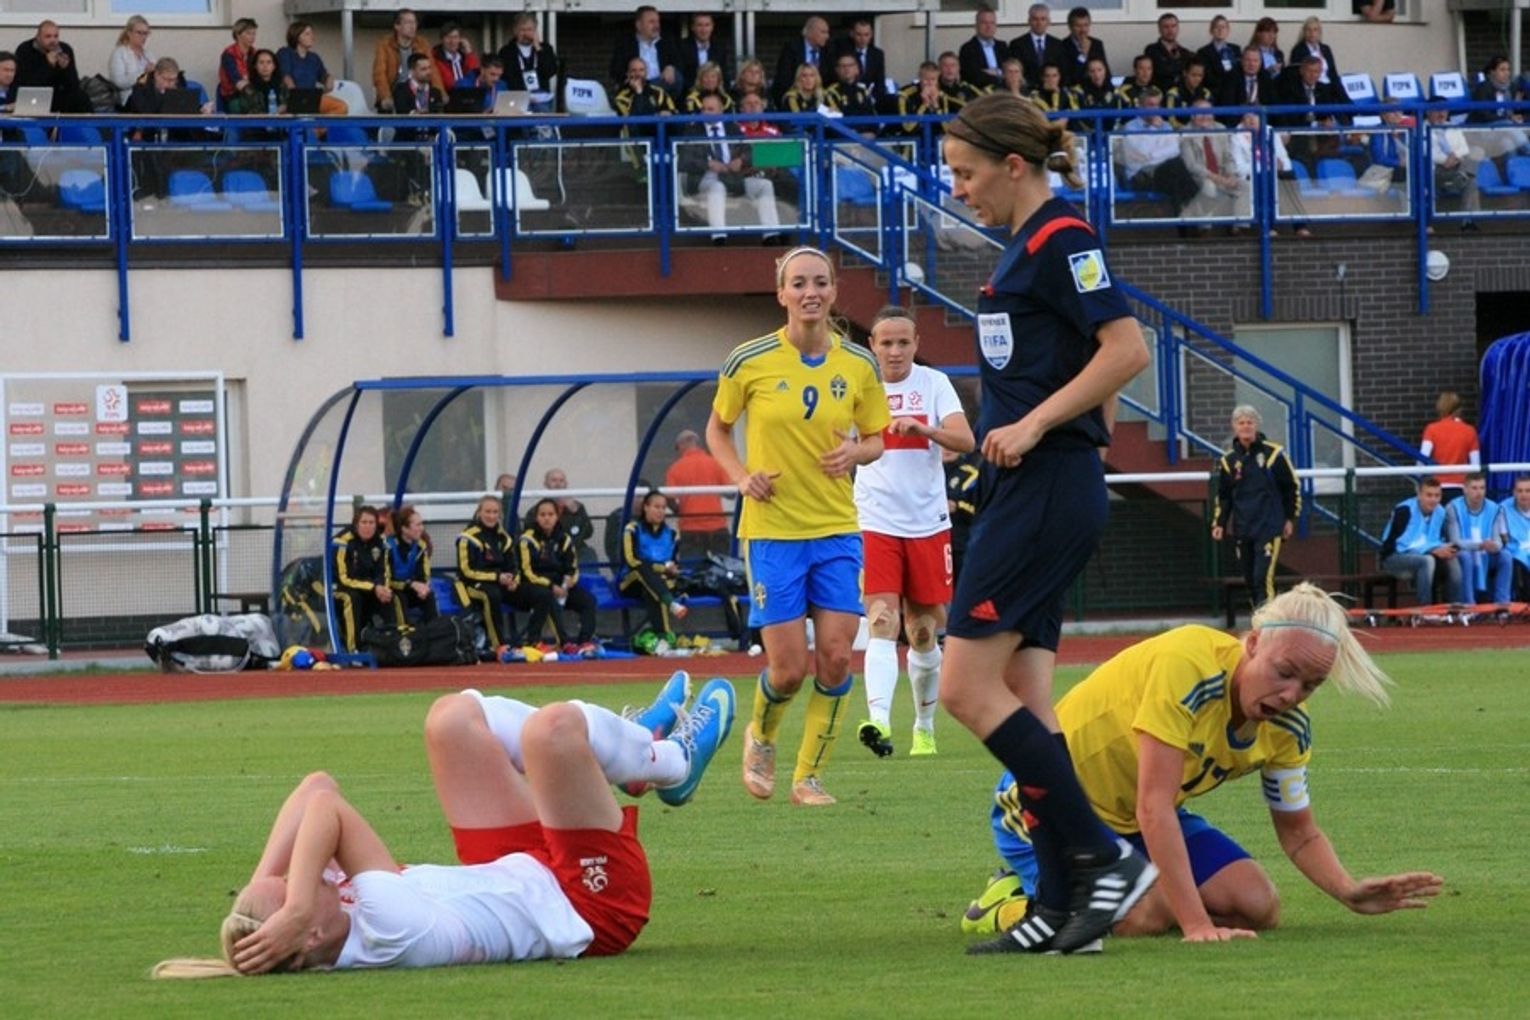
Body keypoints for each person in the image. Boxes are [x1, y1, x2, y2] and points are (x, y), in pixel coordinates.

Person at [939, 91, 1154, 953]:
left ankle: (1106, 857)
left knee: (963, 688)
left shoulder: (1063, 239)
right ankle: (1065, 905)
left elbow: (1127, 350)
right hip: (1028, 486)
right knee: (1027, 698)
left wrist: (1033, 426)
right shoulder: (1026, 247)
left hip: (1046, 487)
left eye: (965, 173)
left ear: (1013, 165)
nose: (957, 189)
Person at [152, 676, 737, 977]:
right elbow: (324, 807)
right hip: (589, 906)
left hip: (510, 870)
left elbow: (315, 785)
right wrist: (297, 904)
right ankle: (670, 761)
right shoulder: (386, 926)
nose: (305, 879)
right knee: (552, 732)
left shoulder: (326, 919)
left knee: (450, 718)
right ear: (306, 936)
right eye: (296, 890)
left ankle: (629, 752)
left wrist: (269, 891)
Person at [967, 585, 1443, 950]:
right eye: (1284, 672)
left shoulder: (1289, 727)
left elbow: (1298, 832)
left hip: (1135, 819)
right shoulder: (1188, 666)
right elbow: (1154, 807)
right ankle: (1010, 902)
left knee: (1257, 906)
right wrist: (1195, 924)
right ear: (1252, 644)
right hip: (1048, 807)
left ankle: (1133, 889)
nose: (1291, 695)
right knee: (1150, 914)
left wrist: (1348, 891)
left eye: (1310, 685)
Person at [705, 246, 889, 807]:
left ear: (834, 291)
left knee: (836, 657)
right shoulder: (748, 360)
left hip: (836, 529)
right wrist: (741, 477)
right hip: (773, 533)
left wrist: (856, 452)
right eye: (799, 283)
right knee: (787, 670)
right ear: (781, 293)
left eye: (820, 282)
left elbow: (877, 439)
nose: (811, 292)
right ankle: (761, 737)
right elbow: (717, 430)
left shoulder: (859, 364)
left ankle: (808, 777)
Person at [853, 306, 975, 760]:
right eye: (886, 342)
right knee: (881, 620)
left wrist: (924, 428)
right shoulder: (860, 386)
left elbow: (966, 440)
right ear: (872, 346)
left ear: (916, 344)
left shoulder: (934, 383)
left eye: (903, 342)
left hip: (926, 524)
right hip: (875, 520)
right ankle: (879, 721)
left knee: (922, 631)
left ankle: (924, 727)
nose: (895, 351)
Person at [1210, 406, 1299, 611]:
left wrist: (1289, 518)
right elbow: (1224, 496)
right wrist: (1220, 523)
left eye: (1249, 422)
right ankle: (1259, 617)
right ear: (1234, 427)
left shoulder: (1273, 454)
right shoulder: (1229, 461)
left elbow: (1291, 487)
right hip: (1243, 527)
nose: (1246, 426)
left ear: (1256, 425)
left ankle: (1268, 621)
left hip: (1269, 525)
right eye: (1241, 423)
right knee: (1250, 579)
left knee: (1262, 577)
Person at [521, 497, 599, 655]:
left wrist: (570, 580)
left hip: (561, 586)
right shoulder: (527, 540)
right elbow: (527, 572)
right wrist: (551, 586)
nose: (547, 518)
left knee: (588, 600)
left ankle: (584, 641)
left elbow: (572, 566)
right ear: (536, 517)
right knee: (546, 596)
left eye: (550, 514)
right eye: (542, 515)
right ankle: (564, 642)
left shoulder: (564, 538)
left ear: (557, 516)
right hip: (538, 586)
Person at [618, 489, 690, 646]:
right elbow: (632, 561)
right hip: (632, 582)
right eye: (656, 507)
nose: (661, 511)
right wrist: (662, 569)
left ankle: (664, 638)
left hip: (659, 584)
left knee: (652, 590)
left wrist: (671, 570)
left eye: (663, 508)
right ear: (646, 507)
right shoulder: (632, 529)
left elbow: (673, 563)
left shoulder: (671, 534)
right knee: (642, 568)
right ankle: (671, 605)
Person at [455, 494, 523, 652]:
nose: (491, 516)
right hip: (472, 585)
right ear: (479, 512)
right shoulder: (467, 537)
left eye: (495, 512)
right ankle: (498, 645)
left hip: (501, 583)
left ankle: (538, 641)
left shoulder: (504, 537)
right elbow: (466, 571)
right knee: (492, 595)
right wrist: (497, 577)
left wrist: (514, 580)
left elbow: (513, 565)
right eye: (487, 511)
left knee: (541, 594)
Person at [1379, 477, 1461, 605]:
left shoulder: (1440, 511)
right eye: (1429, 495)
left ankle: (1453, 606)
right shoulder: (1404, 510)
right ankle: (1425, 609)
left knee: (1452, 558)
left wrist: (1445, 548)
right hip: (1394, 556)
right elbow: (1403, 545)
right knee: (1427, 560)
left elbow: (1434, 539)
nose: (1433, 500)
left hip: (1423, 553)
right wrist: (1433, 550)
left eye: (1437, 495)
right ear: (1419, 494)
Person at [665, 428, 734, 559]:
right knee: (723, 567)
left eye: (677, 448)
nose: (678, 451)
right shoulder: (716, 464)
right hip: (718, 527)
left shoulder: (675, 468)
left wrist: (680, 511)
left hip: (691, 529)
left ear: (682, 445)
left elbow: (669, 498)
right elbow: (731, 494)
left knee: (692, 569)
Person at [331, 505, 392, 653]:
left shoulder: (380, 542)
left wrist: (383, 588)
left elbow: (383, 571)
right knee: (352, 598)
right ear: (356, 524)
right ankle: (353, 649)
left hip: (368, 587)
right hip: (338, 588)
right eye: (364, 522)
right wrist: (373, 587)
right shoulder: (342, 541)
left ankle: (393, 644)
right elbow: (343, 578)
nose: (368, 527)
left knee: (392, 597)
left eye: (371, 523)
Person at [1444, 473, 1512, 605]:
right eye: (1474, 488)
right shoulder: (1453, 507)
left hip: (1486, 552)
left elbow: (1497, 540)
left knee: (1506, 556)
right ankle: (1469, 604)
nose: (1479, 492)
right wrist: (1479, 545)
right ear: (1465, 489)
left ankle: (1502, 604)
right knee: (1466, 557)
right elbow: (1455, 540)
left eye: (1482, 488)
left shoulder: (1495, 508)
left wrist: (1495, 546)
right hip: (1462, 552)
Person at [372, 9, 440, 113]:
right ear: (397, 26)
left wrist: (441, 93)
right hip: (394, 93)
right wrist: (385, 97)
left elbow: (433, 71)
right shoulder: (384, 44)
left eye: (415, 22)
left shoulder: (422, 43)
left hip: (418, 91)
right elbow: (379, 74)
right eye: (408, 23)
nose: (413, 27)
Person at [1418, 390, 1481, 501]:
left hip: (1436, 488)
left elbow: (1421, 460)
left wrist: (1419, 480)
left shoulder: (1431, 429)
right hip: (1460, 487)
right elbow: (1476, 465)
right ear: (1459, 409)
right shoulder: (1469, 431)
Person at [15, 20, 89, 113]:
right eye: (48, 36)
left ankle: (91, 121)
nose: (53, 40)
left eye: (56, 36)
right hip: (35, 96)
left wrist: (65, 69)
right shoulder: (25, 50)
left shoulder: (65, 49)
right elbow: (27, 83)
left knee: (81, 97)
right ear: (38, 37)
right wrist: (48, 66)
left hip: (58, 95)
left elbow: (74, 85)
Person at [609, 5, 680, 97]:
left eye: (658, 21)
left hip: (662, 88)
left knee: (677, 77)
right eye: (651, 22)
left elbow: (679, 63)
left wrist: (671, 67)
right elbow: (615, 70)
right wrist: (629, 77)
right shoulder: (626, 44)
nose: (657, 26)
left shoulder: (667, 41)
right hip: (636, 88)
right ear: (639, 25)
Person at [278, 22, 346, 114]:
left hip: (311, 98)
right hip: (290, 98)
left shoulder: (314, 58)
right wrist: (296, 95)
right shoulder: (285, 53)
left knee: (341, 107)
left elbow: (323, 75)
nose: (312, 37)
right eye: (307, 34)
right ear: (297, 36)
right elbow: (286, 76)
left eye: (312, 33)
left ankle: (319, 123)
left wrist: (329, 79)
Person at [386, 503, 437, 625]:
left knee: (429, 596)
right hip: (393, 591)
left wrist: (424, 587)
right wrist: (411, 584)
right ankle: (404, 633)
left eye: (422, 524)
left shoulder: (420, 546)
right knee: (399, 598)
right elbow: (387, 580)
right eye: (418, 525)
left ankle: (434, 630)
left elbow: (424, 575)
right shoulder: (388, 546)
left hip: (411, 589)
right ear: (404, 528)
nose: (422, 528)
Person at [533, 467, 596, 562]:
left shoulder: (577, 507)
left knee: (589, 553)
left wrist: (576, 512)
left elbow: (588, 533)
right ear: (545, 484)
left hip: (575, 549)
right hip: (548, 551)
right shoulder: (538, 509)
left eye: (561, 481)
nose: (558, 484)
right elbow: (532, 531)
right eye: (554, 480)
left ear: (566, 484)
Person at [497, 14, 558, 110]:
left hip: (540, 96)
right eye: (522, 30)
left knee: (542, 112)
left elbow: (550, 71)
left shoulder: (546, 48)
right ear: (515, 31)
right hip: (517, 95)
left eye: (529, 30)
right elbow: (505, 76)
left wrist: (538, 48)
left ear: (535, 31)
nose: (526, 34)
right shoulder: (506, 51)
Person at [772, 16, 830, 108]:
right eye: (823, 32)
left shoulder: (829, 50)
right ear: (810, 31)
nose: (827, 36)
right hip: (795, 100)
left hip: (820, 101)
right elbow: (784, 78)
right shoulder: (791, 48)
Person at [828, 18, 887, 105]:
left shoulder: (877, 54)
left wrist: (873, 99)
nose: (863, 39)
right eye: (859, 34)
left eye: (866, 35)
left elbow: (880, 81)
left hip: (870, 99)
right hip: (846, 98)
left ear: (871, 35)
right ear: (852, 34)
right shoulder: (843, 51)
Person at [959, 5, 1011, 93]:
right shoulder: (967, 49)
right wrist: (999, 75)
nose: (988, 26)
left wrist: (993, 72)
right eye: (984, 23)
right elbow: (974, 77)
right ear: (976, 26)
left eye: (992, 23)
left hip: (1004, 92)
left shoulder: (1002, 46)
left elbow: (1010, 71)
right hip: (980, 93)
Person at [1012, 4, 1063, 92]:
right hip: (1027, 91)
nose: (1039, 23)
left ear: (1048, 21)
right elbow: (1018, 72)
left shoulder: (1057, 44)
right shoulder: (1017, 44)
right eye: (1035, 19)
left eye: (1043, 19)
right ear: (1029, 21)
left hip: (1053, 91)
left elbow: (1062, 71)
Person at [677, 12, 732, 95]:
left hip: (715, 94)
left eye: (707, 25)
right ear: (692, 27)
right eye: (699, 25)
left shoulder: (720, 47)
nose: (704, 30)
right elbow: (681, 75)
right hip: (689, 94)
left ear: (712, 27)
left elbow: (724, 75)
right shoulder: (682, 46)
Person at [108, 16, 155, 109]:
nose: (143, 37)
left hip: (150, 96)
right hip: (129, 99)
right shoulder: (120, 53)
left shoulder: (149, 55)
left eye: (146, 33)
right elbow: (119, 82)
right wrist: (143, 73)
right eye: (139, 33)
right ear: (129, 33)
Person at [1057, 7, 1107, 90]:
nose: (1083, 30)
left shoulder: (1097, 44)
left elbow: (1106, 72)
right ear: (1070, 27)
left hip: (1097, 91)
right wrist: (1083, 55)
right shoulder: (1062, 46)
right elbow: (1067, 76)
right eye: (1078, 26)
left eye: (1086, 25)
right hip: (1074, 92)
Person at [1499, 475, 1530, 599]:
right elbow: (1504, 537)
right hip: (1516, 551)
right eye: (1520, 491)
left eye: (1528, 491)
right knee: (1517, 559)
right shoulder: (1503, 509)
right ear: (1514, 493)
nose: (1524, 495)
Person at [217, 18, 259, 109]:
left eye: (254, 33)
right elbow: (237, 81)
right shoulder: (229, 54)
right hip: (233, 95)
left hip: (252, 92)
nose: (252, 37)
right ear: (238, 34)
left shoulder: (255, 53)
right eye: (248, 33)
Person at [230, 49, 286, 115]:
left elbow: (287, 104)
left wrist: (284, 108)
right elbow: (250, 112)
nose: (265, 66)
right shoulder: (248, 89)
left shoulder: (282, 86)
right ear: (255, 66)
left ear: (274, 66)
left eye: (269, 62)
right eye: (261, 62)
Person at [1144, 12, 1189, 93]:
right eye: (1166, 27)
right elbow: (1160, 72)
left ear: (1178, 28)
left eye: (1173, 26)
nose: (1170, 30)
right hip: (1159, 94)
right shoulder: (1152, 50)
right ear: (1159, 29)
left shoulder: (1186, 53)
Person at [1196, 15, 1239, 95]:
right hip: (1214, 93)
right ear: (1211, 30)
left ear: (1228, 30)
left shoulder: (1236, 49)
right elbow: (1206, 77)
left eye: (1223, 27)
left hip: (1235, 93)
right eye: (1217, 27)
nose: (1220, 30)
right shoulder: (1203, 52)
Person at [1165, 58, 1213, 128]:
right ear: (1185, 73)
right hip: (1181, 133)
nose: (1197, 79)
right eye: (1193, 75)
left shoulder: (1206, 94)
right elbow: (1171, 121)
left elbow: (1211, 117)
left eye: (1200, 75)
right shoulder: (1173, 94)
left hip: (1203, 131)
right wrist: (1190, 130)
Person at [1289, 17, 1339, 85]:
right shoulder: (1298, 50)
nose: (1312, 33)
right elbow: (1296, 77)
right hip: (1313, 87)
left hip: (1329, 85)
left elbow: (1333, 74)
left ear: (1319, 32)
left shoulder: (1325, 49)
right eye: (1308, 30)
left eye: (1315, 30)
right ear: (1304, 32)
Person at [393, 52, 444, 118]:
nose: (428, 72)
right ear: (412, 71)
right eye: (423, 69)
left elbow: (439, 115)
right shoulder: (401, 90)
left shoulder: (436, 92)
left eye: (429, 68)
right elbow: (402, 112)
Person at [432, 23, 480, 92]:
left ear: (460, 39)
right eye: (448, 37)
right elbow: (449, 83)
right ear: (442, 39)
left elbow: (475, 76)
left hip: (468, 94)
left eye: (455, 37)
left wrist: (469, 52)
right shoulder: (436, 58)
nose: (452, 41)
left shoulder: (464, 57)